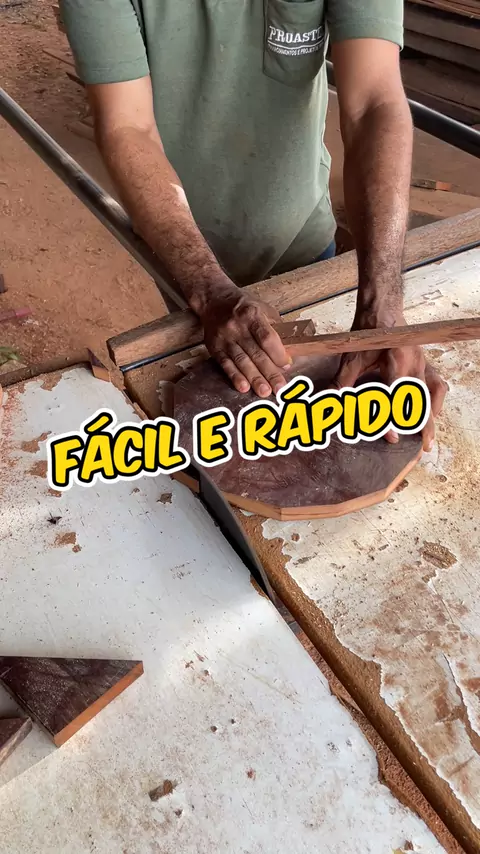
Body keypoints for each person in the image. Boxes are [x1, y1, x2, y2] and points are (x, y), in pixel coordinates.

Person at [60, 0, 446, 449]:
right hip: (187, 256)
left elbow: (374, 103)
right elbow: (128, 128)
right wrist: (207, 289)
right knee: (225, 427)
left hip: (302, 239)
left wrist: (383, 304)